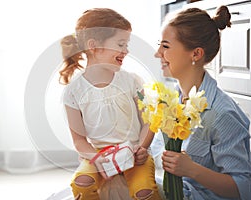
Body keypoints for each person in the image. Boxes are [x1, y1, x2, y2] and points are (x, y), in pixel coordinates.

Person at [59, 8, 161, 200]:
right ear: (93, 46)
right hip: (99, 153)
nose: (126, 50)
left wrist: (141, 147)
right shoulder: (73, 91)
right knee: (81, 183)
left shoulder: (132, 81)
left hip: (133, 150)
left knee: (144, 192)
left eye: (127, 44)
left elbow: (149, 121)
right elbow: (79, 140)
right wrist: (97, 159)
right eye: (121, 44)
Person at [155, 5, 251, 200]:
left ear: (196, 54)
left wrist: (192, 170)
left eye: (165, 46)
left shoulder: (222, 114)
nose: (158, 53)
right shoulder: (172, 100)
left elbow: (244, 189)